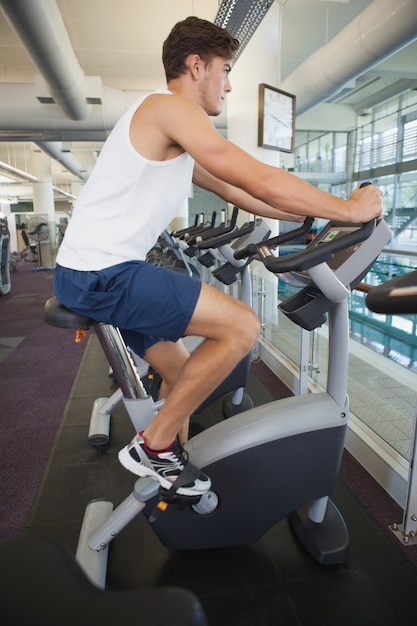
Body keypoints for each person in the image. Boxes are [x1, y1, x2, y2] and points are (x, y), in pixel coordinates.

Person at [54, 16, 383, 497]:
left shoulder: (172, 134)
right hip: (102, 273)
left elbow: (246, 193)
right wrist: (350, 208)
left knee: (179, 371)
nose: (228, 86)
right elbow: (255, 176)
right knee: (242, 325)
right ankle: (155, 447)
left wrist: (306, 217)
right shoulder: (169, 109)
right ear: (196, 66)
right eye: (224, 70)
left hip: (94, 271)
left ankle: (163, 477)